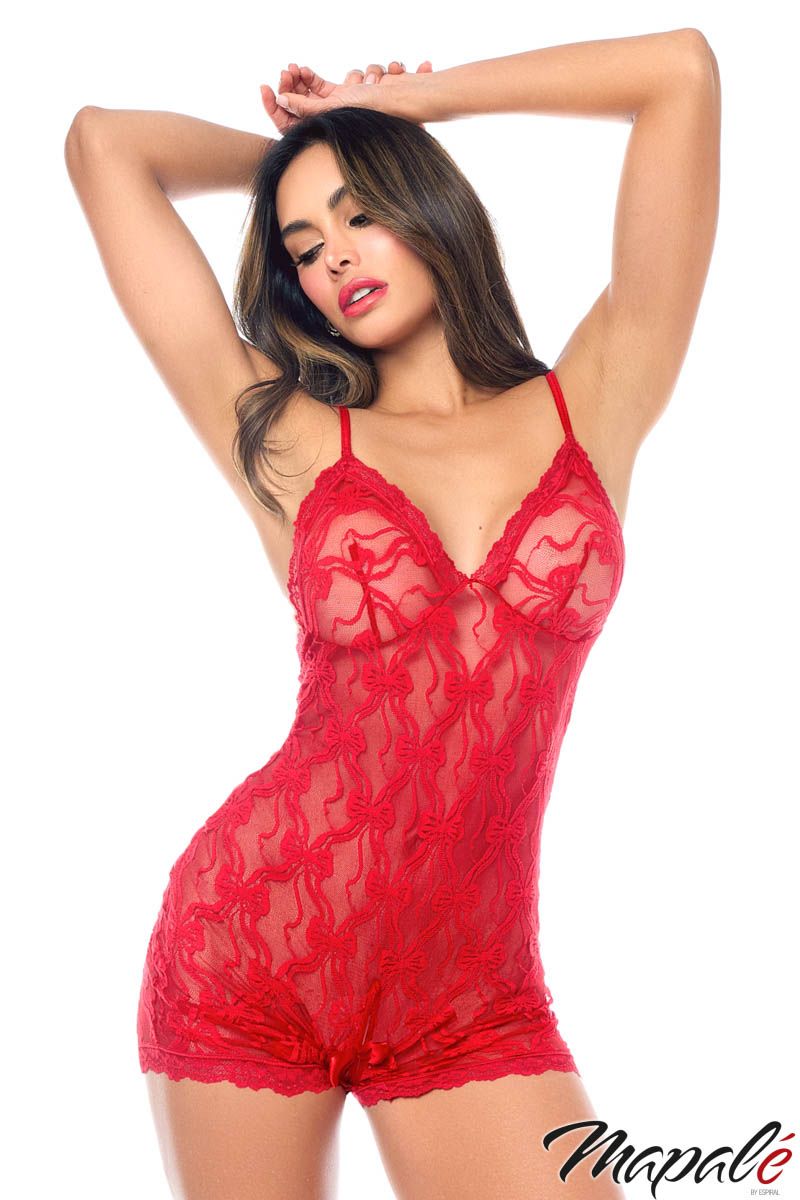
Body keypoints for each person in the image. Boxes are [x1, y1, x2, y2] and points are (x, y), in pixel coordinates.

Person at [64, 32, 720, 1200]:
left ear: (426, 203)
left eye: (361, 213)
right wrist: (302, 153)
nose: (331, 257)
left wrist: (413, 107)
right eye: (302, 246)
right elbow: (103, 146)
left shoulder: (594, 397)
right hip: (252, 949)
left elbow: (679, 73)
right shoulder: (288, 436)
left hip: (470, 992)